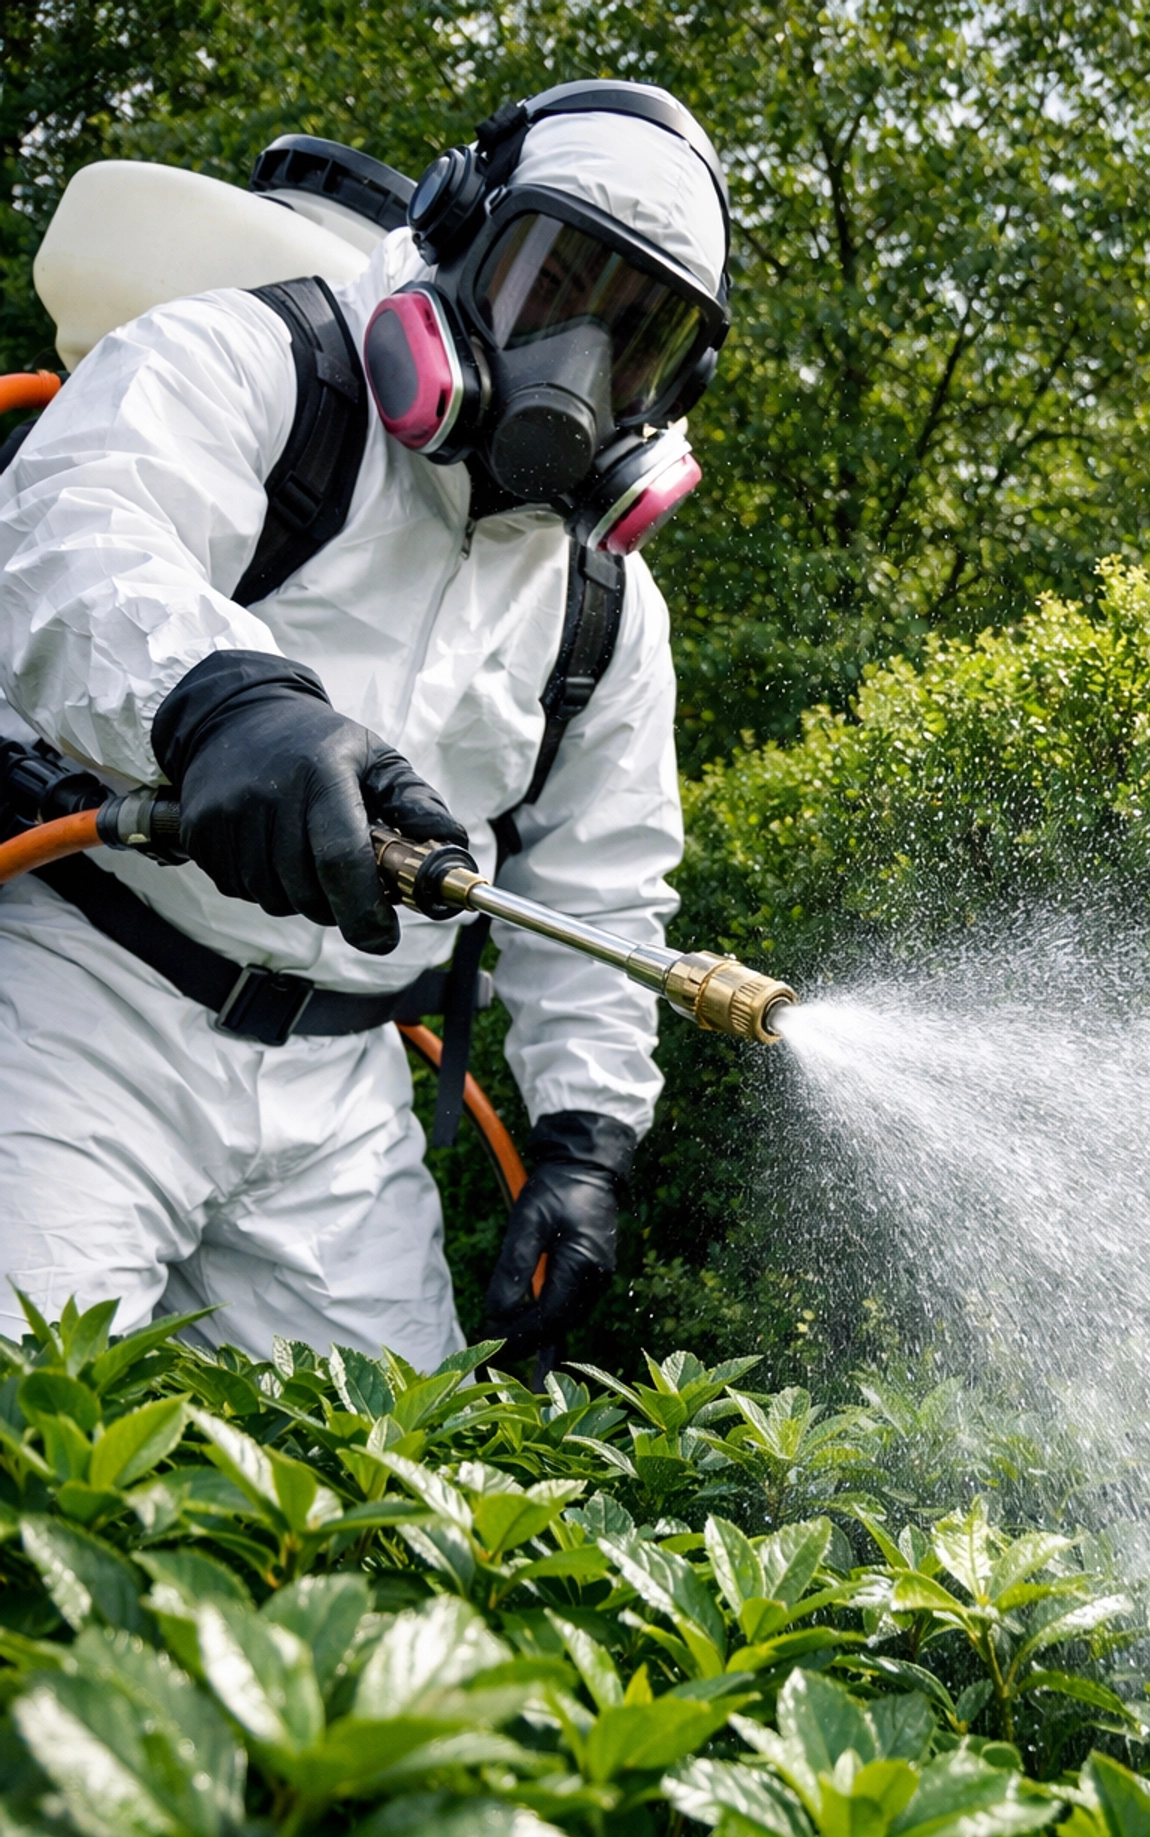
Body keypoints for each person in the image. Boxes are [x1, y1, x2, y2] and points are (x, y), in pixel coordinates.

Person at [0, 81, 730, 1368]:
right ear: (459, 232)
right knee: (32, 1411)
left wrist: (586, 1143)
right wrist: (228, 707)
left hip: (338, 1101)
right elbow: (75, 535)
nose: (576, 370)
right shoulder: (260, 361)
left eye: (635, 336)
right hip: (80, 997)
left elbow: (601, 892)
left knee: (389, 1475)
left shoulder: (605, 610)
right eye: (551, 286)